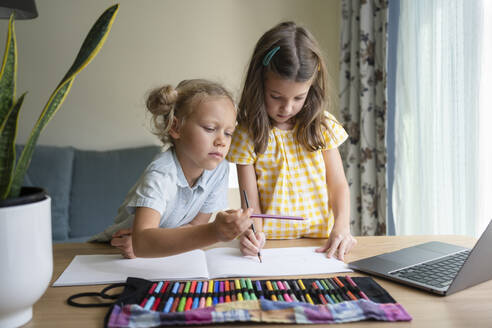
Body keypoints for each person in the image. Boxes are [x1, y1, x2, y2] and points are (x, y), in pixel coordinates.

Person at [226, 21, 356, 261]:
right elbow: (250, 204)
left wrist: (342, 226)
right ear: (259, 84)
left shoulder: (322, 126)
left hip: (320, 245)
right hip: (272, 248)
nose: (287, 107)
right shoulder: (247, 134)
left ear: (312, 87)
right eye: (276, 96)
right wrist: (253, 235)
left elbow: (338, 185)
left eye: (299, 97)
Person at [90, 79, 253, 258]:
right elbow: (143, 242)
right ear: (176, 127)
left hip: (158, 252)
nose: (222, 141)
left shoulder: (219, 169)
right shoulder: (161, 173)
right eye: (210, 128)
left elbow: (195, 227)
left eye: (228, 133)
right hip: (111, 251)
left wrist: (152, 246)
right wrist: (214, 232)